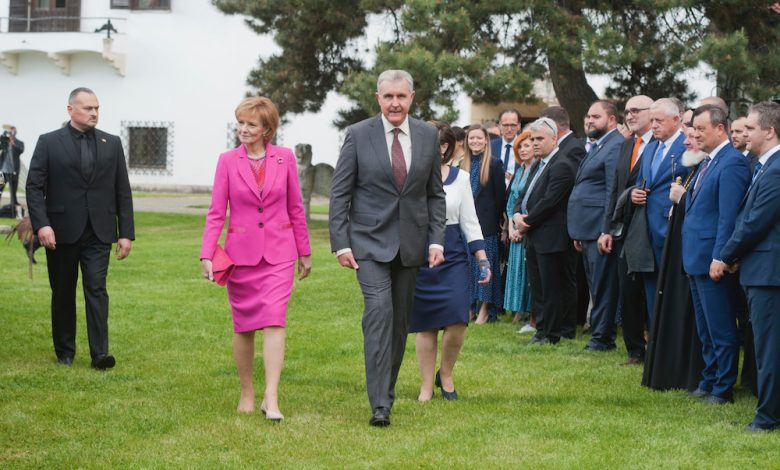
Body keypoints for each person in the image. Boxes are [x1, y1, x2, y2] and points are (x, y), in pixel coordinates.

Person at [329, 69, 446, 427]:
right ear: (377, 98)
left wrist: (436, 239)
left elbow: (434, 195)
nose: (395, 103)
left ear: (412, 98)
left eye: (401, 96)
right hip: (368, 242)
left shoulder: (427, 135)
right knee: (379, 313)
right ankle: (380, 404)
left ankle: (386, 391)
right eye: (388, 96)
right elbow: (340, 193)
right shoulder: (358, 135)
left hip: (411, 245)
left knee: (398, 324)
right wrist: (341, 243)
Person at [200, 96, 312, 420]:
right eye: (241, 123)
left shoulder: (284, 158)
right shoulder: (227, 161)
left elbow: (295, 207)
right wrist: (207, 253)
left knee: (275, 319)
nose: (244, 129)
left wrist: (304, 252)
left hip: (280, 253)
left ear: (267, 129)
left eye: (251, 124)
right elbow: (216, 211)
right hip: (241, 256)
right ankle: (247, 392)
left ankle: (271, 397)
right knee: (244, 326)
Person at [26, 87, 134, 369]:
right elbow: (34, 187)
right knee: (63, 291)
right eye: (88, 108)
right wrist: (42, 225)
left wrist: (125, 233)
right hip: (60, 231)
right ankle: (65, 351)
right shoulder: (49, 142)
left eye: (96, 107)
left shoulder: (112, 143)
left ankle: (100, 354)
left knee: (97, 289)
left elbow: (122, 190)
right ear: (70, 109)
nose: (94, 113)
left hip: (99, 231)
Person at [410, 124, 490, 402]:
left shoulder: (461, 178)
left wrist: (482, 258)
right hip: (419, 255)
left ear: (444, 147)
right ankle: (425, 386)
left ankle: (445, 374)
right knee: (426, 324)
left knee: (458, 320)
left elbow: (470, 221)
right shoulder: (411, 176)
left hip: (453, 255)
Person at [680, 104, 750, 404]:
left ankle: (723, 387)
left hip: (712, 260)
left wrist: (721, 257)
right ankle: (709, 379)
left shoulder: (732, 163)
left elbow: (728, 216)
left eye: (701, 129)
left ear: (720, 128)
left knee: (720, 328)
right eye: (693, 129)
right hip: (695, 258)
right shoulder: (707, 161)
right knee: (705, 328)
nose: (695, 134)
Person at [721, 101, 780, 431]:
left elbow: (755, 221)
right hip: (761, 270)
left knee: (770, 349)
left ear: (769, 132)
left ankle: (768, 417)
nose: (745, 134)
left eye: (751, 128)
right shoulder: (764, 166)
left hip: (770, 274)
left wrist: (725, 256)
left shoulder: (776, 169)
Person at [642, 114, 705, 391]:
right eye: (687, 135)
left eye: (692, 136)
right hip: (679, 248)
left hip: (697, 252)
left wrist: (683, 198)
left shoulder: (717, 165)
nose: (686, 142)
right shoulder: (696, 167)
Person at [510, 117, 578, 345]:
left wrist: (526, 222)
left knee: (551, 287)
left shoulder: (562, 164)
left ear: (554, 138)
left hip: (551, 235)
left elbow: (549, 201)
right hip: (534, 234)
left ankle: (551, 333)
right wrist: (517, 214)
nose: (535, 143)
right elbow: (523, 195)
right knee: (538, 286)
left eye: (539, 139)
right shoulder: (539, 164)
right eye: (532, 139)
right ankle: (541, 330)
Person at [569, 100, 623, 351]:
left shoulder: (615, 145)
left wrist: (606, 229)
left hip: (599, 229)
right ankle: (600, 334)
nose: (589, 120)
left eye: (596, 116)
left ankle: (602, 338)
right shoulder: (599, 144)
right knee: (595, 285)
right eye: (588, 116)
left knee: (603, 286)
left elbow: (612, 190)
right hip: (587, 228)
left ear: (611, 120)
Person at [631, 98, 690, 322]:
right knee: (652, 291)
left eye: (659, 121)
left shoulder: (687, 145)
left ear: (676, 119)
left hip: (673, 228)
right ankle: (655, 337)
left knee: (675, 292)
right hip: (647, 229)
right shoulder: (651, 148)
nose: (653, 125)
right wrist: (635, 193)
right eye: (652, 120)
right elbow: (642, 181)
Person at [604, 95, 653, 364]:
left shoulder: (660, 145)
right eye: (627, 111)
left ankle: (654, 347)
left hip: (649, 228)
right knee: (627, 290)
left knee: (649, 291)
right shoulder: (627, 145)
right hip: (624, 229)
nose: (630, 115)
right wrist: (607, 229)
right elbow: (615, 189)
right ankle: (635, 350)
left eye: (636, 110)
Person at [541, 106, 586, 338]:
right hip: (554, 222)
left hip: (564, 221)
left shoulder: (574, 148)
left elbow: (570, 186)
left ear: (554, 127)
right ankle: (557, 322)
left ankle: (568, 326)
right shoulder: (562, 148)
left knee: (566, 276)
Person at [463, 125, 506, 324]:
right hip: (465, 225)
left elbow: (500, 198)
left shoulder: (495, 164)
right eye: (471, 138)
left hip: (486, 226)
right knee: (468, 269)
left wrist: (495, 222)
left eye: (479, 138)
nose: (475, 141)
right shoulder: (462, 165)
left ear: (486, 140)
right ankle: (470, 307)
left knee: (485, 267)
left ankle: (485, 309)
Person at [503, 131, 534, 330]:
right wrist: (510, 227)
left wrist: (521, 228)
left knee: (528, 271)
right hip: (514, 227)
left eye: (527, 145)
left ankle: (529, 311)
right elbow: (511, 202)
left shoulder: (537, 170)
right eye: (520, 146)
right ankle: (518, 309)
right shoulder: (519, 170)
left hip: (528, 226)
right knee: (516, 269)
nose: (523, 150)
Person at [491, 109, 522, 187]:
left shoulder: (524, 146)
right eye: (505, 125)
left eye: (513, 125)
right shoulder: (491, 146)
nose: (509, 129)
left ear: (518, 126)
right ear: (499, 126)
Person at [0, 125, 24, 216]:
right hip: (3, 172)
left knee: (13, 191)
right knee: (0, 188)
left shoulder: (19, 143)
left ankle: (13, 211)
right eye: (9, 131)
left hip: (13, 171)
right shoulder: (4, 141)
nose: (10, 133)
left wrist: (12, 142)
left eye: (12, 131)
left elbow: (21, 150)